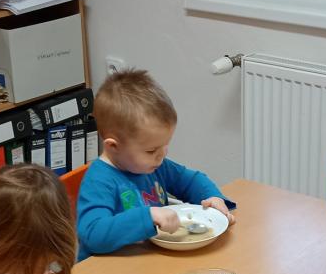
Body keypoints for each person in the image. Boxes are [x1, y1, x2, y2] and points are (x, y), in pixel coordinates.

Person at [75, 68, 234, 257]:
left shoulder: (155, 165)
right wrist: (148, 217)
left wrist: (213, 198)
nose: (161, 155)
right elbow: (93, 234)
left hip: (149, 261)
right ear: (113, 147)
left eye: (165, 145)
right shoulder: (99, 181)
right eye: (151, 150)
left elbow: (191, 180)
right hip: (109, 268)